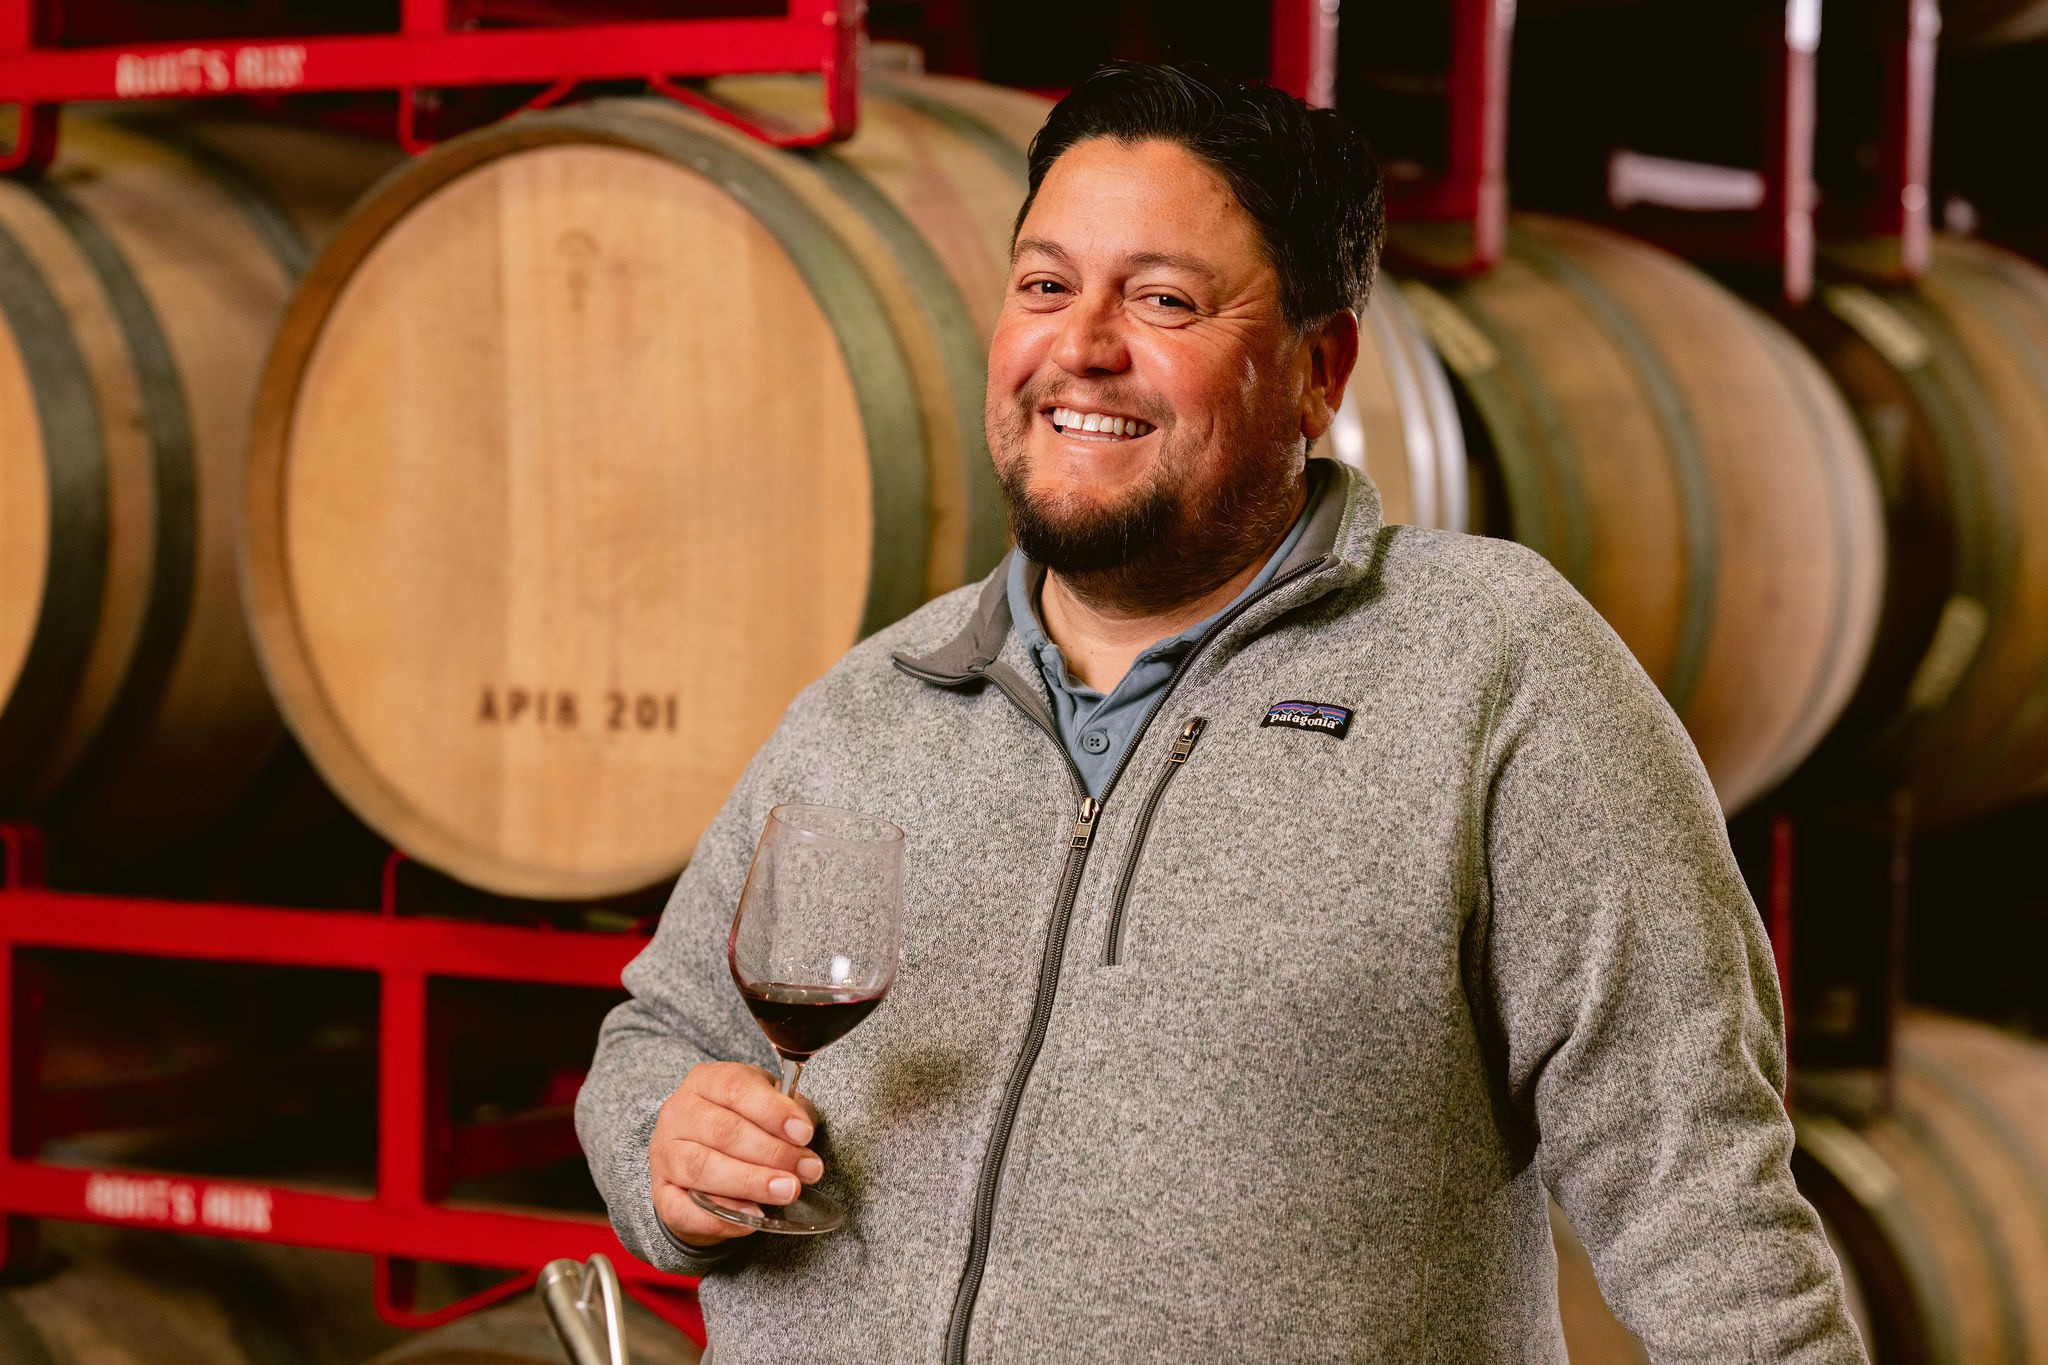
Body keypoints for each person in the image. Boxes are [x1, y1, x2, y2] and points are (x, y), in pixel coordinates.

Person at [577, 61, 1867, 1363]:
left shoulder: (1491, 670)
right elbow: (659, 1037)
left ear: (1319, 370)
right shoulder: (878, 700)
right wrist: (667, 1152)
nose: (1080, 344)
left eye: (1164, 299)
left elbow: (1699, 1198)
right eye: (1043, 284)